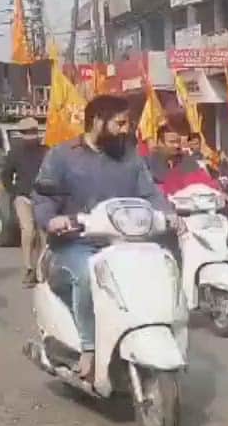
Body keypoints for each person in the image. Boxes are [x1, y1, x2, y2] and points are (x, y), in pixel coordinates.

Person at [33, 94, 186, 382]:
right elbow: (43, 197)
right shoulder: (62, 156)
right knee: (88, 273)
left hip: (125, 243)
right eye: (120, 123)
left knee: (160, 267)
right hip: (74, 244)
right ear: (97, 121)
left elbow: (150, 192)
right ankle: (89, 348)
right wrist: (52, 219)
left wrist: (168, 213)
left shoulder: (130, 157)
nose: (126, 129)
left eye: (127, 123)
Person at [1, 117, 49, 286]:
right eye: (26, 133)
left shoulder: (46, 152)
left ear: (37, 133)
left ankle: (41, 268)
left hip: (43, 197)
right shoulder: (15, 153)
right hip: (23, 197)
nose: (30, 136)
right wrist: (14, 192)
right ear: (22, 134)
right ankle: (28, 268)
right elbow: (6, 175)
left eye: (33, 133)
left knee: (43, 234)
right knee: (28, 231)